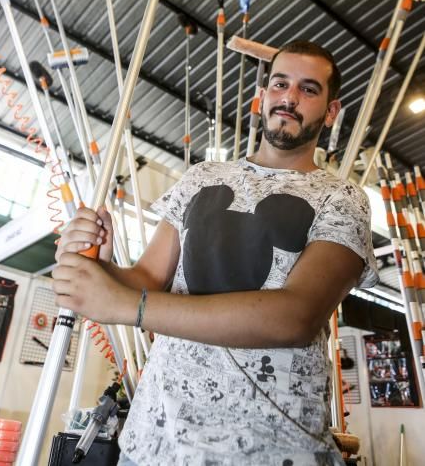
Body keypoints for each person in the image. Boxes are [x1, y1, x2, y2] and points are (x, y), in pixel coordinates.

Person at [53, 40, 379, 466]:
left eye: (308, 89)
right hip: (152, 443)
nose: (290, 98)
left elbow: (294, 317)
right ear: (262, 97)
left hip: (266, 449)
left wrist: (129, 305)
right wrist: (100, 266)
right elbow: (147, 280)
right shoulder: (202, 176)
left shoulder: (342, 197)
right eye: (280, 83)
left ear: (331, 111)